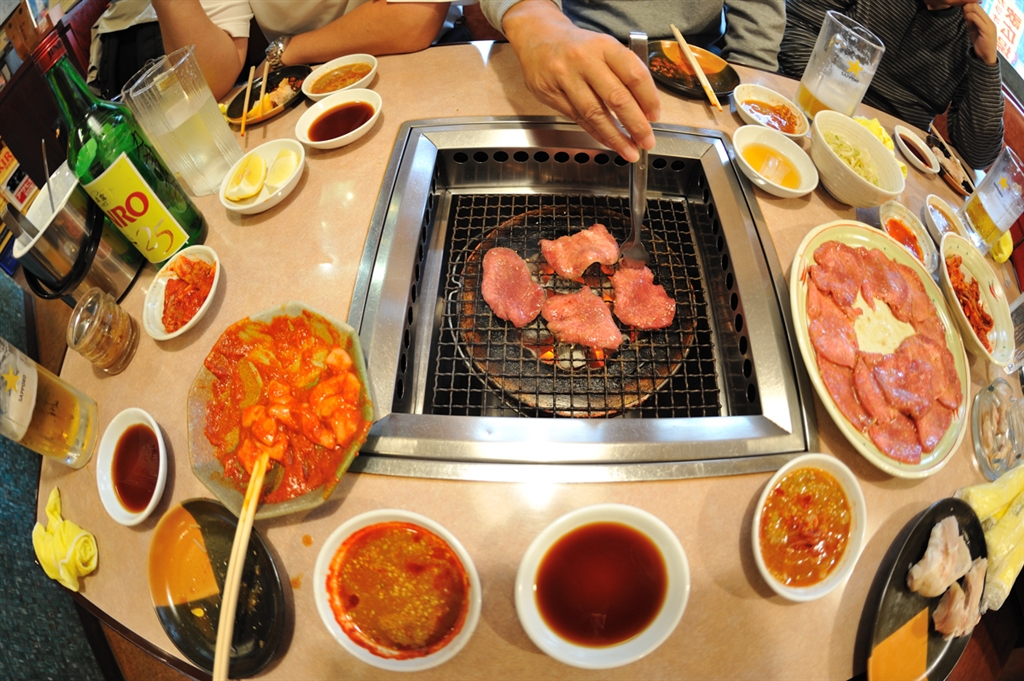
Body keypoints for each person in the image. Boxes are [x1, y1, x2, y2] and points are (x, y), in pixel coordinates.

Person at [480, 0, 785, 162]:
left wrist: (749, 82)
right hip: (573, 48)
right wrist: (531, 18)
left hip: (697, 63)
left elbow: (759, 16)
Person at [779, 0, 1004, 169]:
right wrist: (837, 112)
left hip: (893, 161)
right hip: (813, 114)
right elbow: (797, 26)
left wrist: (987, 62)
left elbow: (977, 155)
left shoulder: (971, 35)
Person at [151, 0, 457, 100]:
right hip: (307, 85)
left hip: (429, 58)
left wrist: (289, 51)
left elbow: (413, 19)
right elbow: (206, 81)